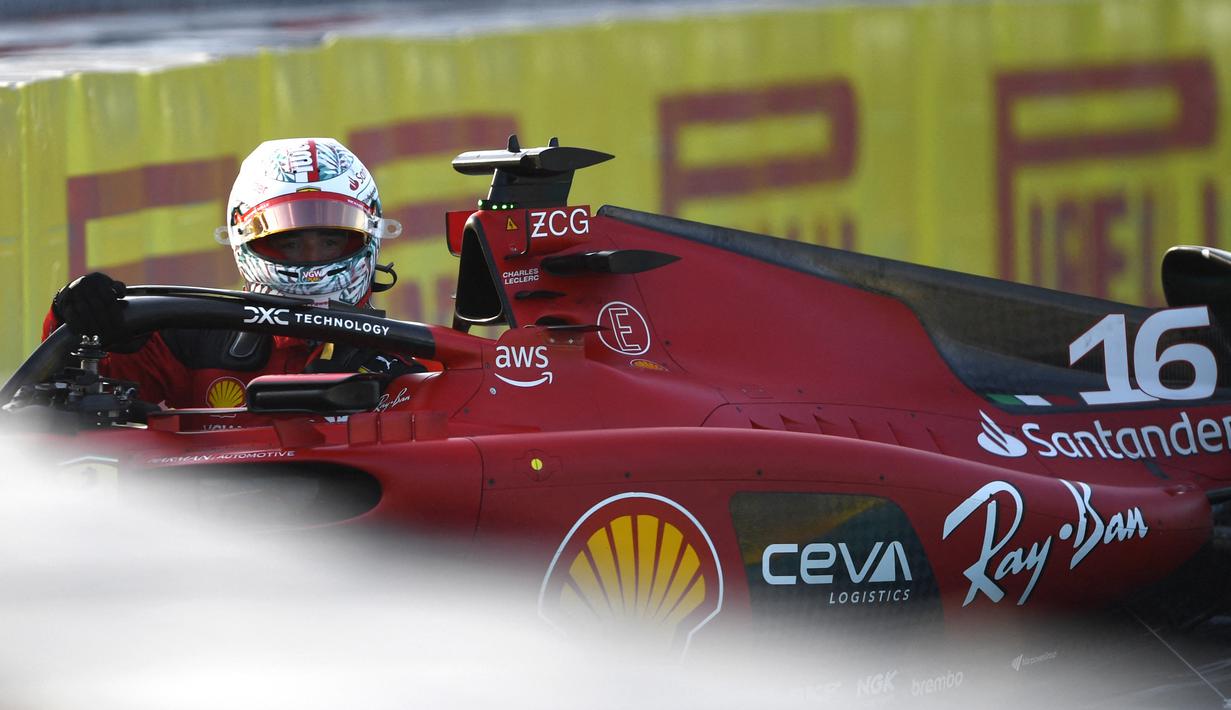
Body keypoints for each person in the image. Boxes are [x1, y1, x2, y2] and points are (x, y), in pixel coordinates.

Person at [44, 137, 421, 410]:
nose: (311, 259)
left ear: (369, 235)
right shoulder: (187, 340)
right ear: (244, 238)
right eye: (289, 242)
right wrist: (77, 316)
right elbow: (68, 397)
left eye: (330, 241)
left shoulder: (407, 367)